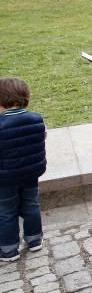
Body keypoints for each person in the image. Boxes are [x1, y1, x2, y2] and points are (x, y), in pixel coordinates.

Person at [0, 77, 46, 263]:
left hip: (5, 178)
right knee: (31, 205)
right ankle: (34, 240)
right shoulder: (36, 119)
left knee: (5, 211)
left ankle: (9, 249)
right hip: (31, 173)